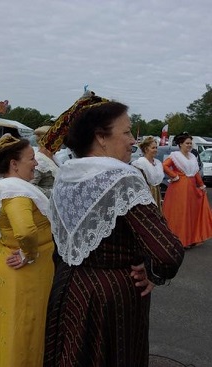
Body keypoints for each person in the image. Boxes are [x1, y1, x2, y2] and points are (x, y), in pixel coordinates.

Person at [42, 95, 184, 367]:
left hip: (67, 290)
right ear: (101, 137)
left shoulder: (66, 174)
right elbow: (168, 253)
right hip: (111, 299)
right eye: (127, 131)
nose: (133, 140)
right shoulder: (122, 178)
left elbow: (60, 245)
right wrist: (152, 272)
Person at [0, 134, 55, 367]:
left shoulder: (13, 188)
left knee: (9, 329)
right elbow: (25, 231)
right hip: (22, 272)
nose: (36, 163)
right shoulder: (16, 192)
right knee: (22, 330)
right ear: (14, 164)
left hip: (11, 265)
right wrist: (28, 254)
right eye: (31, 158)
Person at [162, 132, 212, 248]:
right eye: (187, 143)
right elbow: (164, 165)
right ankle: (180, 240)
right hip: (179, 188)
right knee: (181, 213)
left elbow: (195, 173)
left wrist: (201, 185)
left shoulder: (192, 157)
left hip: (191, 189)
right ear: (180, 144)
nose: (189, 145)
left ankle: (190, 238)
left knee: (190, 213)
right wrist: (174, 176)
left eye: (190, 143)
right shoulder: (174, 156)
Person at [131, 136, 164, 213]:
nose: (155, 150)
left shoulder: (157, 163)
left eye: (156, 147)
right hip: (146, 195)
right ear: (146, 149)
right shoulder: (140, 164)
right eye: (153, 148)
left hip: (157, 194)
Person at [30, 126, 58, 198]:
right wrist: (53, 194)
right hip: (45, 204)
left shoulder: (54, 157)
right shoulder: (39, 160)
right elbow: (30, 186)